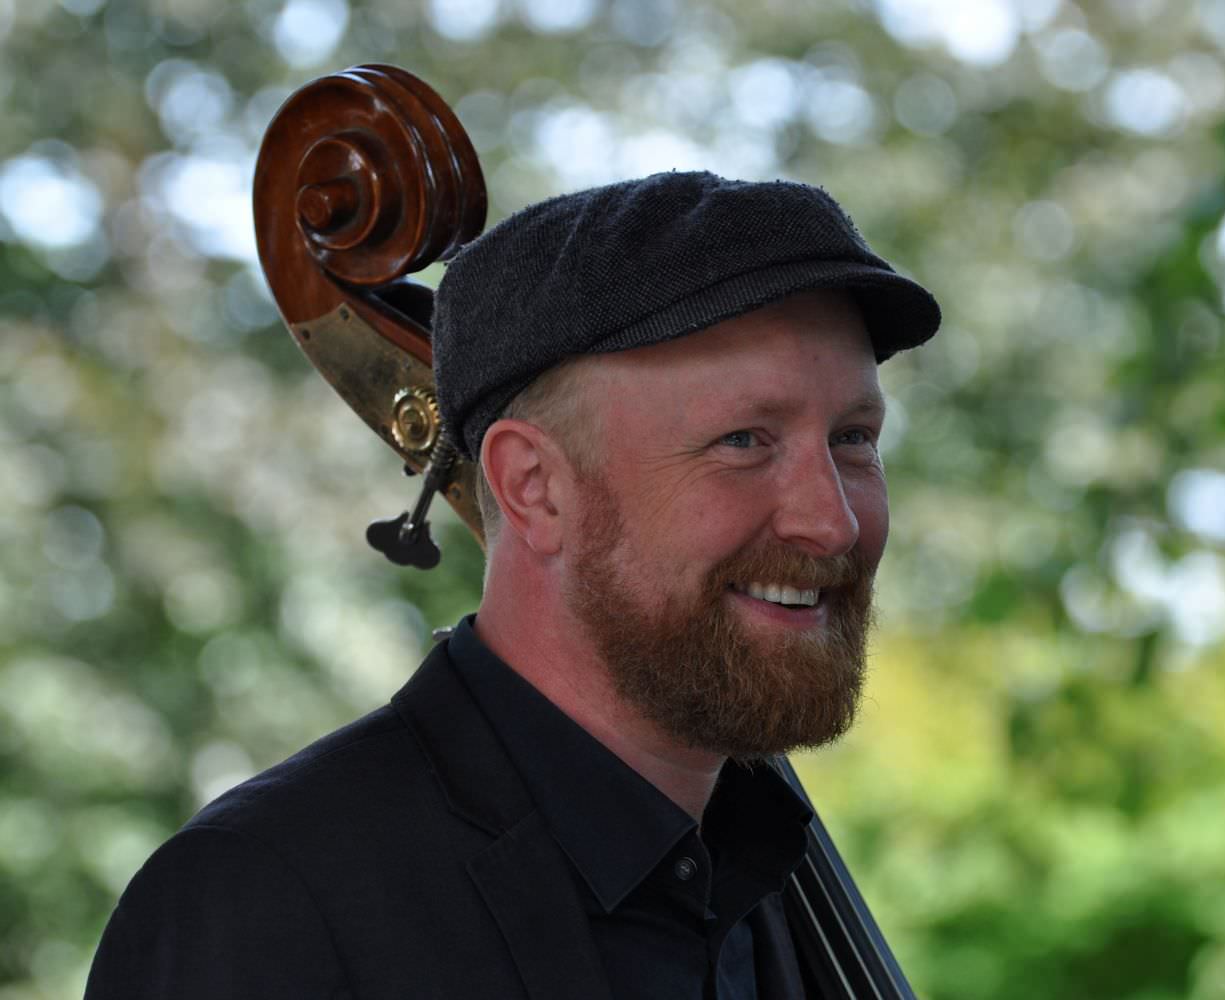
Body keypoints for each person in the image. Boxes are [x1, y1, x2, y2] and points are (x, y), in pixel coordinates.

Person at [84, 171, 940, 999]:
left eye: (853, 438)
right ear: (535, 487)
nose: (832, 522)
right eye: (744, 441)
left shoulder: (762, 879)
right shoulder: (264, 909)